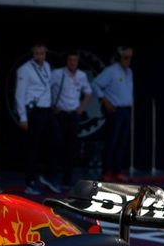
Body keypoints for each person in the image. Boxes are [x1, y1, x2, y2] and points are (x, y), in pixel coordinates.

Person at [15, 42, 55, 195]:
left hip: (46, 110)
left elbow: (47, 88)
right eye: (37, 53)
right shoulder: (24, 69)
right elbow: (19, 94)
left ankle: (45, 177)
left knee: (52, 143)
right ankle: (30, 182)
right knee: (33, 148)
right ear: (33, 53)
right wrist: (23, 117)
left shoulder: (47, 66)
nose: (40, 56)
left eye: (42, 53)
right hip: (33, 111)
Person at [49, 51, 94, 188]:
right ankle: (52, 177)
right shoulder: (57, 73)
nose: (72, 63)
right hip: (60, 114)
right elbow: (45, 89)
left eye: (75, 60)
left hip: (74, 114)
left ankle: (67, 179)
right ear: (66, 61)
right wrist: (52, 105)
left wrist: (81, 108)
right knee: (57, 146)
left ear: (78, 61)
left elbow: (88, 92)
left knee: (71, 147)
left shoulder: (81, 75)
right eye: (70, 60)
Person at [92, 46, 135, 183]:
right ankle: (106, 172)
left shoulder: (129, 72)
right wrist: (104, 100)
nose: (128, 61)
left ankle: (118, 171)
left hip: (126, 110)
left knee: (122, 142)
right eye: (125, 57)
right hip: (115, 110)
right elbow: (95, 84)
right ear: (119, 57)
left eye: (130, 58)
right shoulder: (111, 71)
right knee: (112, 141)